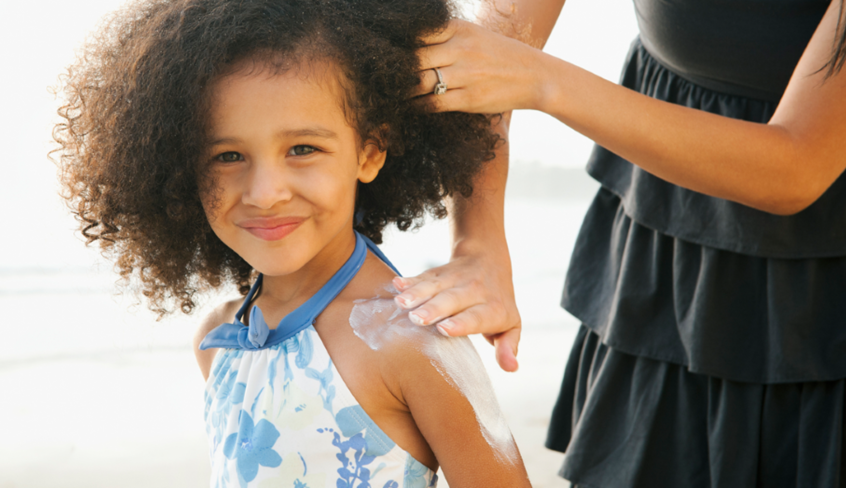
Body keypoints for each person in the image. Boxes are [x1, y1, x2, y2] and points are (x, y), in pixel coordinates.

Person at [52, 0, 533, 486]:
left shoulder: (414, 341)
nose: (265, 193)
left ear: (369, 152)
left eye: (303, 149)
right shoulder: (218, 342)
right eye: (228, 155)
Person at [390, 0, 846, 486]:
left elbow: (796, 167)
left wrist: (544, 81)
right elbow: (486, 57)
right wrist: (478, 247)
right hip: (658, 255)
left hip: (825, 292)